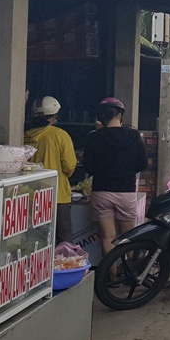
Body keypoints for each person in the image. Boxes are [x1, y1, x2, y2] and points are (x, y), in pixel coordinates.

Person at [83, 97, 149, 262]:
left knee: (108, 237)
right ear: (120, 115)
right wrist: (126, 171)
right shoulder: (134, 136)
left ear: (101, 117)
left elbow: (88, 167)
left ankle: (110, 273)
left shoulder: (93, 137)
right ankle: (130, 272)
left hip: (101, 191)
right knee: (128, 237)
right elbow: (142, 164)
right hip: (126, 190)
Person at [24, 96, 76, 245]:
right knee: (64, 239)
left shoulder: (24, 136)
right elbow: (69, 165)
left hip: (31, 195)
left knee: (35, 239)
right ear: (54, 116)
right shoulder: (59, 135)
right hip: (57, 195)